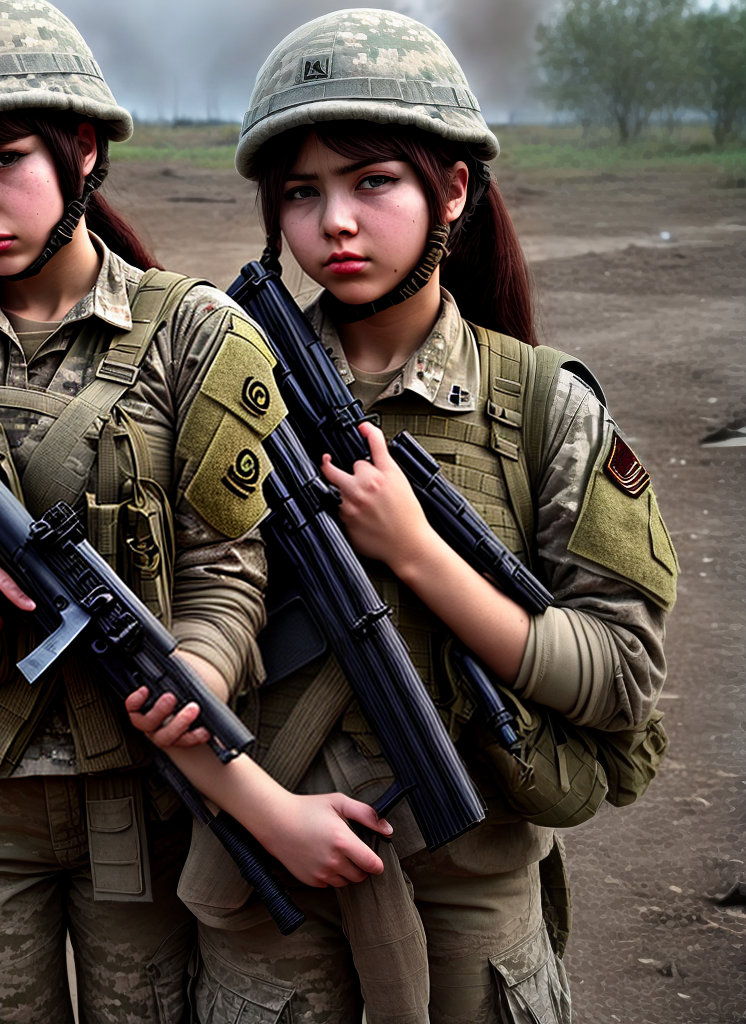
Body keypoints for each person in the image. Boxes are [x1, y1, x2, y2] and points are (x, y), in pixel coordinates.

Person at [0, 3, 391, 1022]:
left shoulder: (190, 332)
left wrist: (193, 670)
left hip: (140, 800)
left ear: (82, 151)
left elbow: (230, 563)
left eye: (5, 160)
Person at [163, 10, 678, 1024]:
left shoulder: (542, 406)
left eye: (371, 182)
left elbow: (621, 675)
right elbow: (171, 629)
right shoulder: (222, 385)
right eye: (302, 193)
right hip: (269, 869)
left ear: (451, 189)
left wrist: (415, 550)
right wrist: (257, 805)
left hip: (471, 878)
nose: (334, 223)